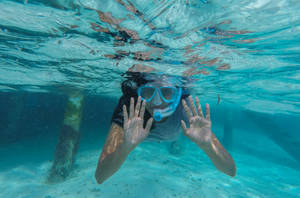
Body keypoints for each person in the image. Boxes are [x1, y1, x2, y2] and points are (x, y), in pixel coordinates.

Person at [94, 70, 236, 184]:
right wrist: (125, 147)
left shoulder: (185, 108)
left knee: (177, 136)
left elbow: (230, 170)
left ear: (178, 94)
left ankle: (179, 140)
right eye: (148, 92)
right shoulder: (130, 109)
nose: (157, 102)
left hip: (173, 133)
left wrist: (207, 145)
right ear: (140, 93)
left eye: (167, 93)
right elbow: (100, 176)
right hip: (142, 134)